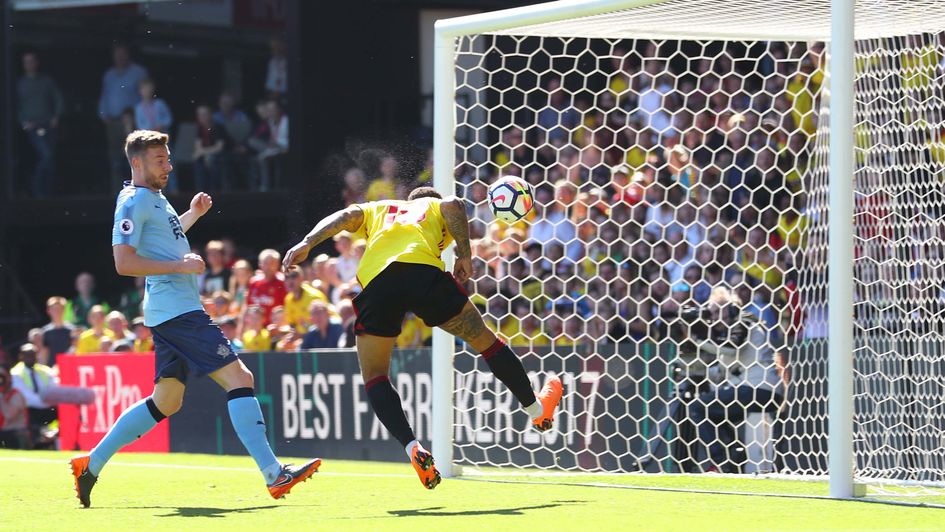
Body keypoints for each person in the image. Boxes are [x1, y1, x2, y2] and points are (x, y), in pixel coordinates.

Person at [69, 130, 319, 509]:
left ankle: (91, 462)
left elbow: (164, 240)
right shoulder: (133, 200)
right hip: (178, 312)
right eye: (159, 161)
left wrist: (192, 215)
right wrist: (179, 265)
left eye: (168, 159)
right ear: (136, 162)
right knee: (241, 378)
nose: (168, 166)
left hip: (170, 311)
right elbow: (124, 263)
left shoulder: (154, 199)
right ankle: (273, 473)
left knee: (166, 401)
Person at [283, 185, 563, 489]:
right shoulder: (432, 207)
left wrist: (309, 242)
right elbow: (454, 205)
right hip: (423, 274)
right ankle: (536, 410)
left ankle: (412, 447)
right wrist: (465, 256)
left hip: (378, 283)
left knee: (376, 376)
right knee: (486, 342)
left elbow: (346, 214)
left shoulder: (381, 210)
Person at [685, 287, 788, 473]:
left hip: (759, 387)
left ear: (731, 309)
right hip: (756, 389)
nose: (714, 317)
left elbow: (732, 349)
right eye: (711, 313)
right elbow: (724, 370)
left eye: (717, 311)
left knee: (697, 407)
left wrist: (698, 341)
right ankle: (734, 455)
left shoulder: (743, 322)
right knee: (714, 412)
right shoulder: (729, 334)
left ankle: (721, 462)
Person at [98, 43, 149, 186]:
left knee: (134, 156)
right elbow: (104, 95)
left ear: (128, 55)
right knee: (115, 158)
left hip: (132, 122)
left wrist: (138, 117)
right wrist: (103, 114)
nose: (120, 57)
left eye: (123, 54)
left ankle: (138, 188)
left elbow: (145, 95)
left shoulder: (138, 72)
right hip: (112, 122)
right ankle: (116, 191)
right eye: (117, 54)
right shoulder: (109, 75)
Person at [17, 51, 64, 197]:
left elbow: (58, 98)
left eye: (31, 61)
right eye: (26, 62)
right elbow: (15, 105)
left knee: (50, 160)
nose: (29, 64)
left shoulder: (46, 81)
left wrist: (56, 116)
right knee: (46, 156)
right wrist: (23, 122)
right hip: (32, 127)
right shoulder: (20, 83)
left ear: (37, 63)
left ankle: (47, 194)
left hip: (48, 126)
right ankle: (38, 192)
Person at [10, 343, 59, 445]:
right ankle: (37, 442)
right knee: (29, 415)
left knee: (66, 411)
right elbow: (28, 398)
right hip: (29, 411)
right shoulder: (15, 373)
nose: (31, 358)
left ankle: (55, 435)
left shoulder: (45, 370)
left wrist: (51, 401)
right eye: (27, 355)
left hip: (47, 407)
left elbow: (55, 388)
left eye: (33, 355)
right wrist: (48, 402)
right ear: (21, 357)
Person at [246, 249, 286, 325]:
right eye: (265, 263)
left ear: (278, 264)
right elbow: (248, 307)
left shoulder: (283, 282)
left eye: (272, 263)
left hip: (276, 328)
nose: (268, 267)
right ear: (260, 264)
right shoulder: (253, 282)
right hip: (257, 328)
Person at [193, 105, 226, 191]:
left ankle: (214, 191)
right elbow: (198, 146)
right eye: (199, 115)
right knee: (198, 162)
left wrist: (204, 153)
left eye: (204, 114)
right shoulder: (200, 129)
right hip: (206, 155)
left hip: (221, 155)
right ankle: (200, 191)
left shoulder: (218, 127)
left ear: (210, 115)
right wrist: (201, 153)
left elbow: (219, 147)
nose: (202, 117)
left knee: (212, 159)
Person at [0, 365, 31, 449]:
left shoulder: (16, 395)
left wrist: (2, 395)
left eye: (2, 377)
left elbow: (9, 415)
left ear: (9, 378)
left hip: (16, 435)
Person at [42, 296, 75, 363]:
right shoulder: (45, 332)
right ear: (48, 311)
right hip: (51, 370)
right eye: (54, 309)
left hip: (68, 366)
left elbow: (75, 349)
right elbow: (44, 353)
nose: (57, 312)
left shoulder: (72, 330)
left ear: (64, 310)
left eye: (60, 309)